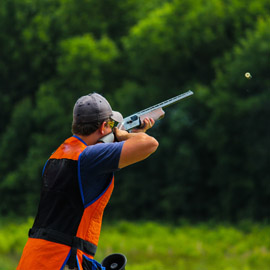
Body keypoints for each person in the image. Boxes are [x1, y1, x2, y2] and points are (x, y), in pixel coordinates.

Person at [17, 93, 159, 270]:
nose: (113, 130)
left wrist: (132, 136)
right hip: (61, 260)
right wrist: (123, 135)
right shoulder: (89, 156)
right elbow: (150, 144)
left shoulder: (58, 155)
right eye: (111, 125)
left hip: (34, 257)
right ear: (104, 126)